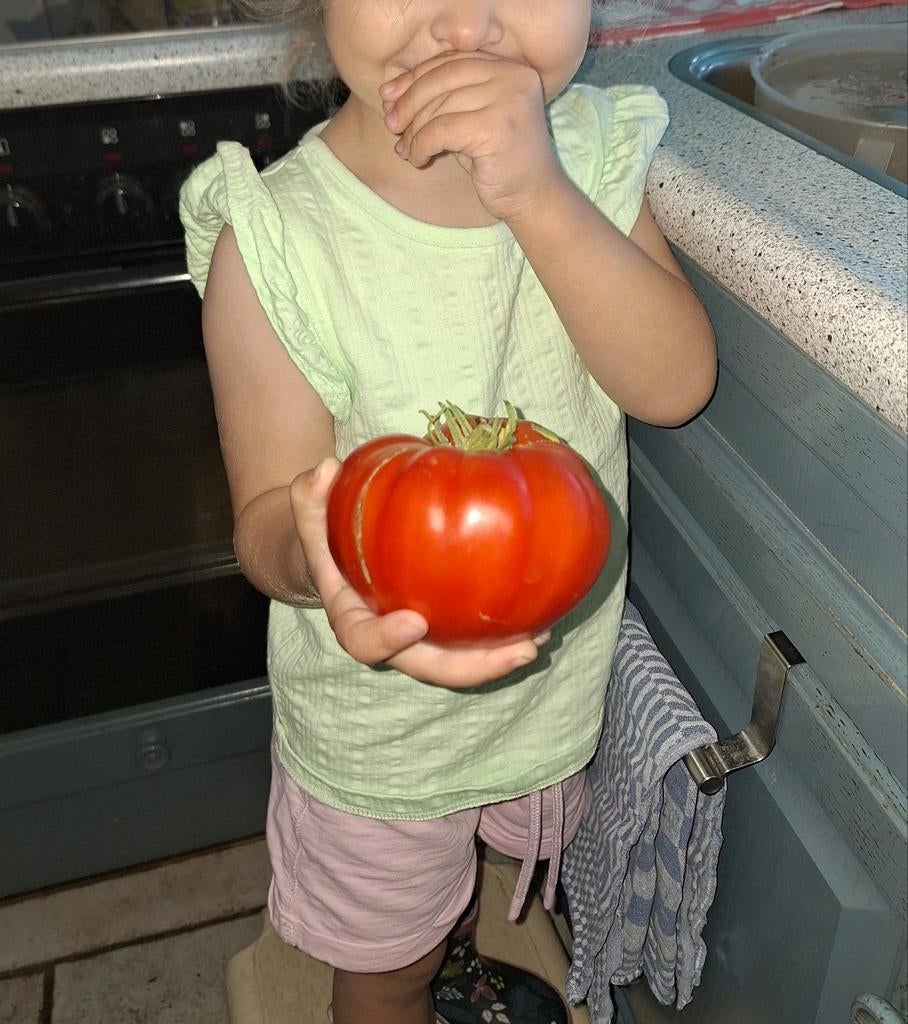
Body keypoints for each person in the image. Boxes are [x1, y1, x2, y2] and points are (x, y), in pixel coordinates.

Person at [179, 1, 717, 1021]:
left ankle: (458, 947)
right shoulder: (278, 236)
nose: (468, 18)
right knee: (388, 960)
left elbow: (673, 382)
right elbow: (262, 514)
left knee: (463, 885)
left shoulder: (589, 161)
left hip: (549, 689)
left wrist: (538, 197)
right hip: (377, 731)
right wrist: (320, 563)